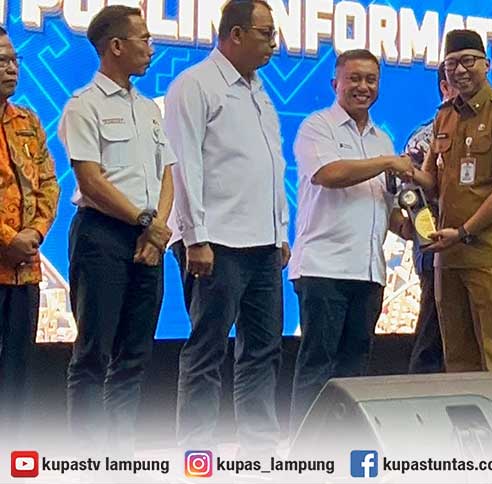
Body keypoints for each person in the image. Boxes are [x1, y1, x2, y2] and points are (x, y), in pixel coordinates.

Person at [164, 0, 289, 454]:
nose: (273, 44)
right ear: (236, 34)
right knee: (207, 349)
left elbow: (271, 166)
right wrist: (195, 237)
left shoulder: (260, 91)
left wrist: (280, 232)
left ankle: (258, 450)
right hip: (215, 243)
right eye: (266, 33)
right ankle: (197, 453)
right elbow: (184, 165)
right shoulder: (195, 84)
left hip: (263, 245)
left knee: (263, 349)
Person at [59, 5, 175, 454]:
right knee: (93, 354)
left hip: (149, 240)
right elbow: (91, 181)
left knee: (135, 354)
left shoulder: (149, 109)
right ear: (116, 46)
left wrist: (157, 228)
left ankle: (120, 454)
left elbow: (167, 173)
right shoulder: (83, 106)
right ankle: (89, 458)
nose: (151, 47)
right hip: (102, 236)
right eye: (143, 39)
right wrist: (144, 222)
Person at [288, 49, 412, 433]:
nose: (363, 87)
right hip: (324, 268)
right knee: (317, 365)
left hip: (369, 271)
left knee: (354, 369)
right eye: (354, 78)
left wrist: (416, 230)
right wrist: (388, 162)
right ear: (335, 83)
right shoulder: (317, 126)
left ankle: (344, 445)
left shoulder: (382, 139)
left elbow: (388, 207)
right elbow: (328, 174)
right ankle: (307, 450)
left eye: (371, 79)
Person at [413, 30, 492, 378]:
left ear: (486, 64)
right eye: (451, 64)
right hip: (448, 256)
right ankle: (465, 417)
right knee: (457, 358)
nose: (459, 70)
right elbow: (432, 182)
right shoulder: (444, 116)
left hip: (490, 254)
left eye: (468, 61)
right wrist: (402, 170)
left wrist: (464, 231)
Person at [0, 27, 59, 449]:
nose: (11, 68)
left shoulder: (29, 122)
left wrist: (34, 232)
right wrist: (7, 239)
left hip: (25, 273)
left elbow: (49, 184)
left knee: (18, 375)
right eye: (1, 61)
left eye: (14, 60)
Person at [404, 64, 457, 374]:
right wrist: (430, 241)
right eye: (456, 81)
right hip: (437, 249)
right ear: (444, 88)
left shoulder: (487, 130)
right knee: (432, 336)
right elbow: (412, 197)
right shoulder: (424, 139)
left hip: (479, 247)